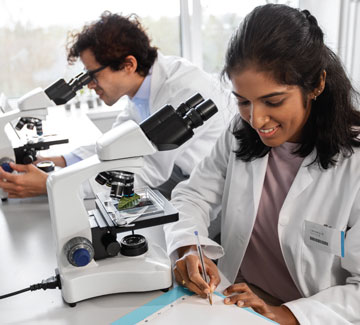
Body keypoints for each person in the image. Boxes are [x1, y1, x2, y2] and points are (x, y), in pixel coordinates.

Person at [164, 4, 360, 324]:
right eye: (243, 101)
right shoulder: (241, 132)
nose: (256, 119)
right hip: (234, 299)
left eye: (273, 101)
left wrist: (285, 313)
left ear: (317, 84)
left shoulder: (355, 163)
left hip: (303, 314)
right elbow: (193, 195)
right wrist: (188, 246)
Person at [0, 12, 234, 200]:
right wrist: (59, 161)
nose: (89, 85)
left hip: (207, 199)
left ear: (128, 65)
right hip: (176, 180)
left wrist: (52, 186)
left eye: (92, 75)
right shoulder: (142, 90)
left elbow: (149, 170)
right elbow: (112, 144)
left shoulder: (183, 90)